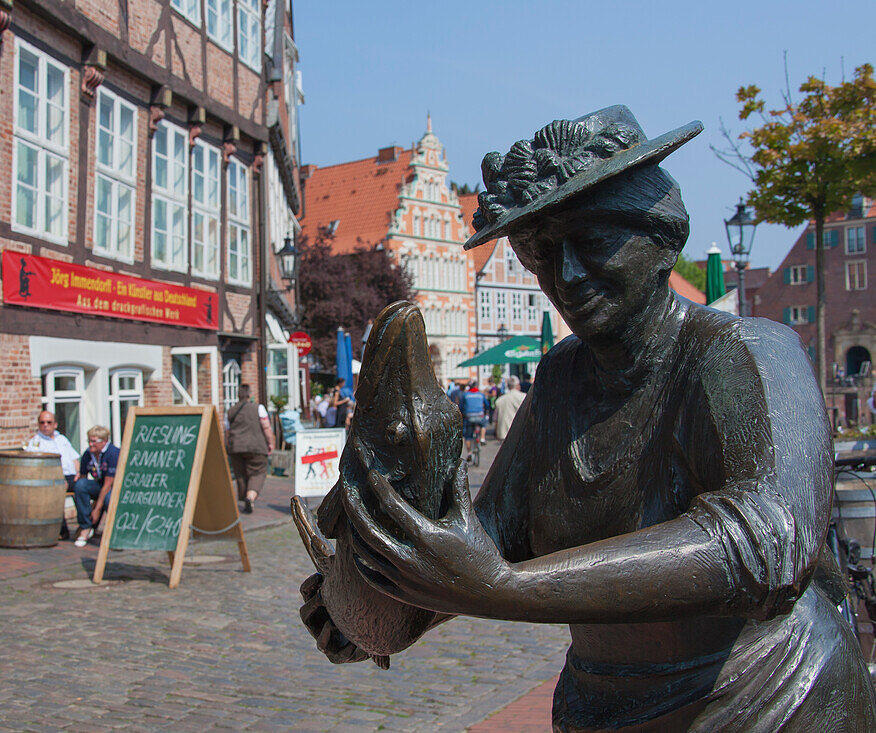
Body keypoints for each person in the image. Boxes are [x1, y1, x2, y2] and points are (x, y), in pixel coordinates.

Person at [303, 106, 876, 729]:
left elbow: (768, 543)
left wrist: (500, 589)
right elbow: (489, 539)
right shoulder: (560, 381)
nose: (565, 275)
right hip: (600, 707)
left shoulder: (744, 353)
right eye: (543, 254)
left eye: (593, 242)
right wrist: (380, 592)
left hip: (764, 702)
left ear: (659, 240)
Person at [23, 410, 80, 540]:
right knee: (58, 491)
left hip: (71, 476)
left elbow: (74, 459)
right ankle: (62, 530)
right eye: (42, 422)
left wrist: (79, 473)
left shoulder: (62, 439)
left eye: (49, 422)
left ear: (55, 424)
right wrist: (59, 479)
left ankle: (86, 526)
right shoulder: (36, 442)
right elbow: (35, 467)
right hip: (52, 479)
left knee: (84, 488)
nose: (45, 425)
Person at [225, 384, 275, 514]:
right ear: (250, 395)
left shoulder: (230, 411)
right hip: (256, 446)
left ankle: (244, 497)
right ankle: (250, 497)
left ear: (238, 395)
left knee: (241, 474)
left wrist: (228, 446)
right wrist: (271, 442)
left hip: (236, 447)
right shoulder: (259, 408)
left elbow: (227, 432)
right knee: (258, 472)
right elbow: (266, 427)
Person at [72, 426, 120, 547]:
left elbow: (108, 485)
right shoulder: (88, 454)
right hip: (100, 484)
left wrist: (97, 510)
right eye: (89, 441)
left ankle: (115, 533)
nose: (91, 444)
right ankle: (86, 527)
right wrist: (87, 508)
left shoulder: (113, 454)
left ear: (104, 441)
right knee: (80, 485)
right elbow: (83, 477)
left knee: (108, 499)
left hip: (116, 486)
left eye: (94, 441)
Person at [460, 381, 489, 455]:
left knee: (468, 436)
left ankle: (469, 453)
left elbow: (461, 406)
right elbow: (487, 405)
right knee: (483, 424)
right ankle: (482, 438)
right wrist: (485, 412)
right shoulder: (481, 395)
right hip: (479, 416)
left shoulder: (465, 395)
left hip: (469, 417)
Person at [493, 375, 525, 440]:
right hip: (519, 432)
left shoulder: (500, 400)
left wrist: (496, 432)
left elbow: (496, 419)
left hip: (504, 433)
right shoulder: (524, 397)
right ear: (518, 385)